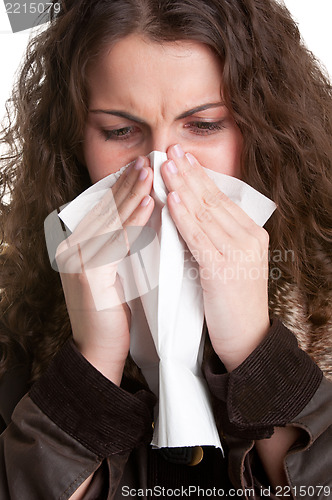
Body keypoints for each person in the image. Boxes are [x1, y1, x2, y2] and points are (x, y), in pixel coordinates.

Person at [0, 0, 331, 498]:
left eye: (204, 125)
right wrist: (91, 363)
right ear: (75, 141)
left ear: (264, 129)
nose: (159, 171)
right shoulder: (11, 316)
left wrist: (255, 352)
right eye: (119, 131)